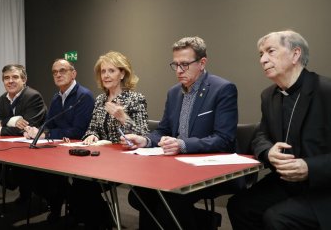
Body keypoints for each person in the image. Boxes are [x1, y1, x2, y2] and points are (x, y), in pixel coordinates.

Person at [122, 36, 238, 229]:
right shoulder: (173, 92)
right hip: (175, 166)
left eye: (184, 65)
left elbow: (224, 139)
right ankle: (203, 221)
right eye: (175, 65)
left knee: (169, 200)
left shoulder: (223, 89)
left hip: (208, 166)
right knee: (139, 195)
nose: (178, 71)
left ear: (202, 63)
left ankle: (198, 222)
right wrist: (144, 140)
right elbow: (163, 130)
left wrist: (183, 144)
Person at [227, 30, 331, 230]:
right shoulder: (269, 96)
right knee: (239, 206)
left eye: (270, 51)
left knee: (278, 218)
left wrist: (310, 167)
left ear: (295, 54)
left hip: (323, 187)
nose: (263, 60)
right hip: (285, 182)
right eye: (260, 54)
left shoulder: (326, 91)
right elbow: (261, 135)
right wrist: (268, 151)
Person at [71, 51, 149, 229]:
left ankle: (102, 221)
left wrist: (124, 118)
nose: (106, 75)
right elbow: (92, 127)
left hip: (125, 161)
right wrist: (91, 135)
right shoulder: (100, 100)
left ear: (122, 74)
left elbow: (144, 135)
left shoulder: (135, 99)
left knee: (86, 188)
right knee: (78, 184)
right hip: (100, 158)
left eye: (111, 71)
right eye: (103, 71)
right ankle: (101, 220)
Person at [23, 58, 95, 224]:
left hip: (77, 152)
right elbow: (49, 124)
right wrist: (36, 132)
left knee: (55, 179)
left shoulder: (84, 96)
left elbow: (78, 132)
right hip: (57, 150)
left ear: (73, 73)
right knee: (34, 172)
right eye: (55, 72)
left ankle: (70, 205)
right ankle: (58, 203)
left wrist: (45, 135)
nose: (58, 75)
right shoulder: (57, 97)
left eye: (62, 70)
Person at [0, 64, 47, 201]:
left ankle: (34, 192)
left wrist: (1, 128)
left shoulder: (33, 96)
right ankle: (27, 189)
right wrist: (13, 120)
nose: (10, 81)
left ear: (24, 80)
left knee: (22, 171)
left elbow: (27, 127)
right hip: (11, 147)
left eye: (15, 77)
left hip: (32, 149)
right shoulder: (2, 99)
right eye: (6, 78)